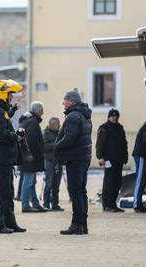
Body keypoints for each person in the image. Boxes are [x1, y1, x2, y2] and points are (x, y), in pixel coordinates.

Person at [0, 79, 26, 234]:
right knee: (1, 191)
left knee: (8, 191)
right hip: (0, 158)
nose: (11, 97)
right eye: (9, 94)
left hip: (4, 158)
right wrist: (15, 136)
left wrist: (12, 111)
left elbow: (3, 120)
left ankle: (10, 222)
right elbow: (0, 133)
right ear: (2, 94)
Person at [55, 88, 92, 235]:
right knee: (81, 191)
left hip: (75, 159)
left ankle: (77, 225)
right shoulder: (83, 116)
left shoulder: (73, 116)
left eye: (65, 100)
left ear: (71, 101)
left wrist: (57, 147)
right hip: (82, 158)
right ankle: (82, 225)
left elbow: (69, 138)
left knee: (76, 192)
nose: (63, 102)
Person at [96, 109, 128, 213]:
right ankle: (107, 205)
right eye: (113, 116)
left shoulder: (120, 128)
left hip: (118, 160)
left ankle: (113, 204)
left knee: (117, 182)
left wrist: (125, 156)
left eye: (116, 116)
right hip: (108, 160)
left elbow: (124, 143)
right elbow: (99, 144)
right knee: (109, 182)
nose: (115, 118)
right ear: (109, 117)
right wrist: (100, 157)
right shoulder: (104, 128)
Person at [19, 101, 46, 213]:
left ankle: (35, 203)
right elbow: (32, 142)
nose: (43, 112)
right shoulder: (33, 123)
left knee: (31, 181)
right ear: (38, 111)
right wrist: (38, 156)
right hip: (30, 158)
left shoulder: (26, 121)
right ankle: (25, 205)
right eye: (42, 110)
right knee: (28, 182)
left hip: (25, 157)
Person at [43, 117, 64, 211]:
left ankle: (55, 204)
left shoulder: (61, 133)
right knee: (49, 184)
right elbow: (44, 147)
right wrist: (55, 145)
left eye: (59, 124)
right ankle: (46, 204)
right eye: (56, 124)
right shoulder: (45, 134)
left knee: (56, 185)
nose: (58, 126)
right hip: (49, 161)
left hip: (59, 161)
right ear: (51, 125)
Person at [132, 122, 146, 213]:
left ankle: (138, 203)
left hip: (142, 155)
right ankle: (137, 204)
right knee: (140, 179)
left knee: (142, 179)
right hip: (141, 155)